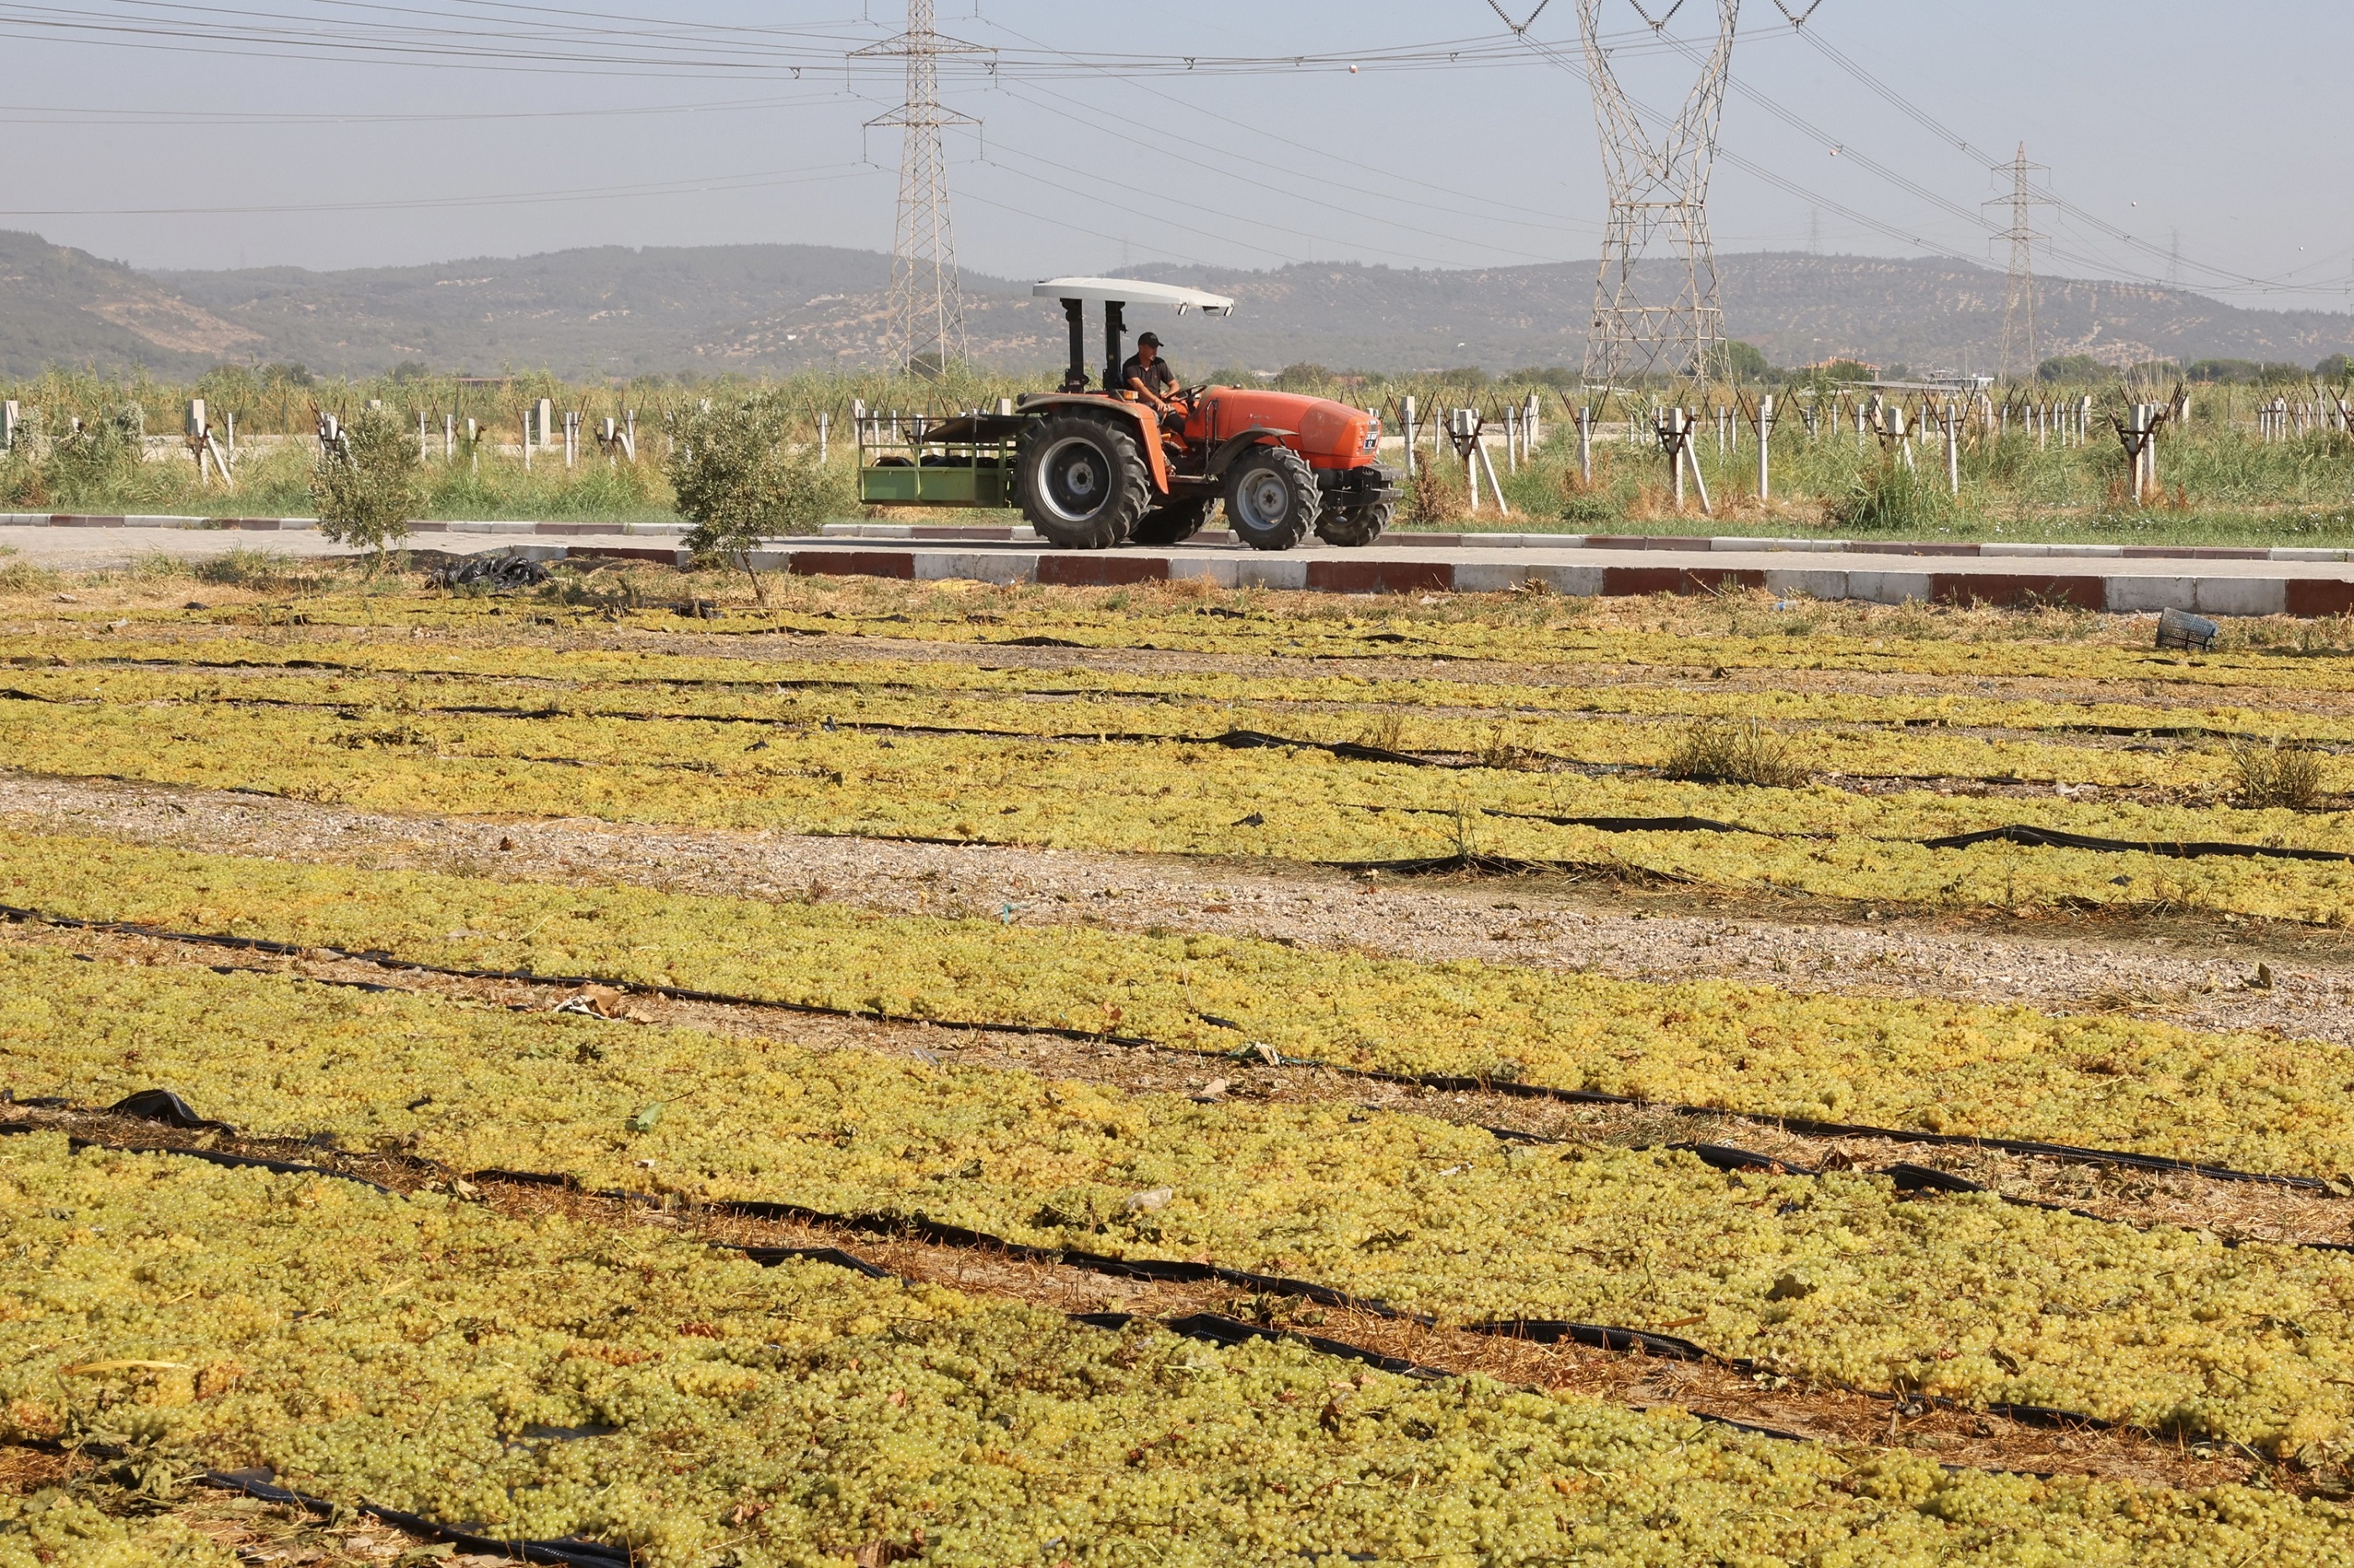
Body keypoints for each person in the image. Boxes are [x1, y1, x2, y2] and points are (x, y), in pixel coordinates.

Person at [1121, 332, 1185, 419]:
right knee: (1153, 419)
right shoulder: (1130, 366)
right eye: (1152, 347)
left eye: (1156, 347)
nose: (1155, 351)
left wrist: (1167, 397)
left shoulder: (1160, 363)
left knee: (1178, 420)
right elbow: (1140, 387)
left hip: (1158, 405)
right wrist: (1156, 400)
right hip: (1138, 407)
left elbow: (1175, 385)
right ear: (1141, 348)